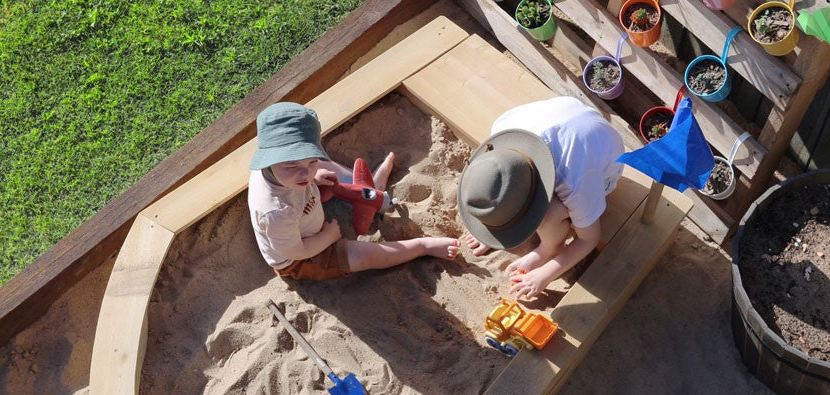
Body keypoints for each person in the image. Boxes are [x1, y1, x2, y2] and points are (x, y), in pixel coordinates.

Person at [248, 102, 459, 281]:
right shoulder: (276, 212)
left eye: (311, 160)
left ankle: (367, 190)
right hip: (302, 257)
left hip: (303, 212)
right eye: (292, 166)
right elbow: (296, 251)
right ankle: (422, 247)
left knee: (325, 169)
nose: (305, 172)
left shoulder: (286, 172)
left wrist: (316, 175)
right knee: (368, 256)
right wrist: (328, 236)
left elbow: (303, 168)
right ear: (269, 160)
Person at [458, 96, 624, 299]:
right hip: (567, 119)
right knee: (495, 187)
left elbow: (588, 239)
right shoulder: (502, 133)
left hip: (605, 162)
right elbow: (496, 180)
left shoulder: (574, 182)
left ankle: (549, 248)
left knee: (549, 214)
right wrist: (492, 223)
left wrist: (545, 274)